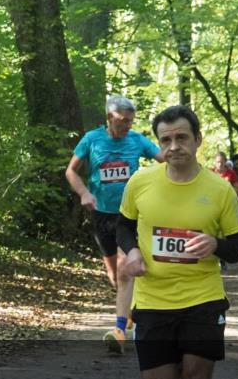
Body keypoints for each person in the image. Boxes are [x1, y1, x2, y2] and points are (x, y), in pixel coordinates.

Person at [116, 105, 238, 379]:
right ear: (159, 143)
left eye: (181, 138)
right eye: (166, 140)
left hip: (203, 299)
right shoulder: (141, 182)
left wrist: (216, 244)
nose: (174, 146)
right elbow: (123, 225)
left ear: (197, 140)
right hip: (155, 299)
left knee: (197, 378)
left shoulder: (219, 189)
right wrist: (134, 252)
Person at [65, 95, 164, 354]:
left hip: (130, 215)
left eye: (131, 121)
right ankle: (129, 314)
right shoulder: (91, 139)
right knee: (114, 275)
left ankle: (120, 330)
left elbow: (164, 159)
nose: (128, 126)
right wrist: (84, 193)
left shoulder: (137, 140)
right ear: (110, 118)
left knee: (124, 269)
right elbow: (71, 171)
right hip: (102, 214)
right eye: (123, 121)